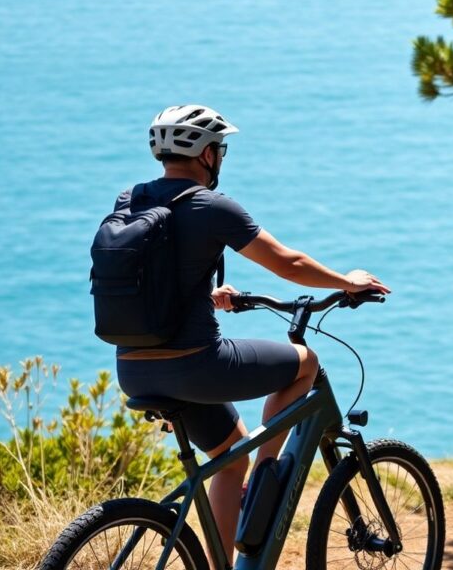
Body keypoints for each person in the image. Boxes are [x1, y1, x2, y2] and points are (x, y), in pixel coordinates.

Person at [113, 105, 390, 567]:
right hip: (195, 366)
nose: (221, 157)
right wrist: (348, 281)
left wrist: (202, 294)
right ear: (205, 154)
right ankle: (265, 478)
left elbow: (151, 279)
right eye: (220, 149)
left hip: (134, 370)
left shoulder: (132, 200)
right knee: (306, 362)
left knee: (227, 452)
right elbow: (289, 263)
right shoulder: (209, 205)